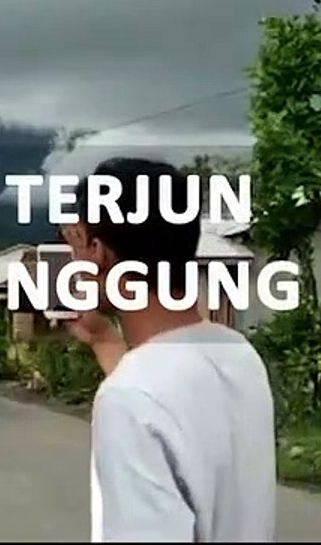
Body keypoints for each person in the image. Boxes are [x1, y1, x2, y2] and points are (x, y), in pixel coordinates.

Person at [61, 157, 276, 542]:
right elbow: (173, 410)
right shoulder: (239, 356)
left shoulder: (130, 397)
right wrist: (105, 341)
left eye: (78, 243)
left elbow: (149, 401)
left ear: (99, 250)